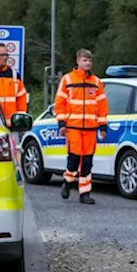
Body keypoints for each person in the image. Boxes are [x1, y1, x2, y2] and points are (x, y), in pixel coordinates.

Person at [53, 49, 108, 205]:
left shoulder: (97, 83)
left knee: (88, 162)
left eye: (90, 60)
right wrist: (62, 124)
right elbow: (60, 104)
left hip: (90, 129)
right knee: (74, 159)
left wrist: (103, 127)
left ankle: (85, 193)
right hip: (74, 128)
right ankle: (67, 182)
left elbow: (102, 106)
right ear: (77, 61)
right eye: (85, 60)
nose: (88, 63)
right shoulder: (67, 80)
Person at [0, 43, 29, 122]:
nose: (5, 58)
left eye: (6, 55)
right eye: (1, 55)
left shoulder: (14, 76)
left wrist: (21, 120)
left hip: (12, 125)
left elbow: (22, 100)